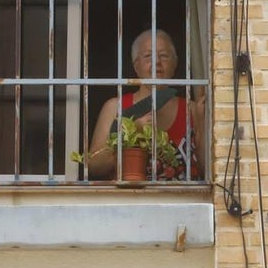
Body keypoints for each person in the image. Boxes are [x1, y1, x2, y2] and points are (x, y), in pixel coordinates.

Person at [80, 29, 206, 180]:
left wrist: (202, 125)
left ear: (175, 64)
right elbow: (93, 166)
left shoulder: (192, 109)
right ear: (136, 66)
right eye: (148, 56)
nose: (157, 62)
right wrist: (132, 132)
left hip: (186, 201)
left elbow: (211, 171)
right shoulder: (115, 107)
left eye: (164, 56)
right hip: (133, 201)